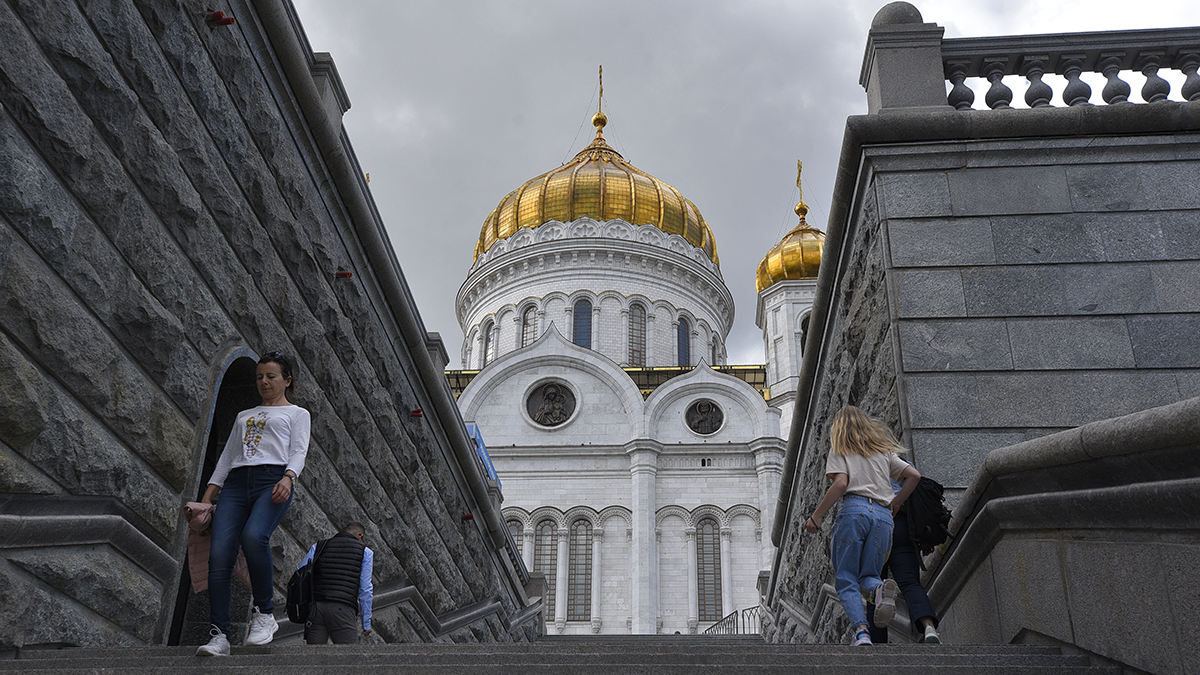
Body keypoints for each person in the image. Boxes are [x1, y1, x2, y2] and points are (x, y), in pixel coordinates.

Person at [196, 352, 310, 657]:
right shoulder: (244, 415)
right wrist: (207, 498)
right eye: (260, 377)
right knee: (219, 555)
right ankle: (219, 635)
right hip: (235, 484)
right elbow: (227, 458)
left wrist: (289, 478)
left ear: (287, 380)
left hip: (272, 481)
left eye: (271, 376)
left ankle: (264, 613)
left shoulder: (297, 414)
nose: (264, 382)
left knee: (253, 536)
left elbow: (298, 451)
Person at [802, 405, 920, 647]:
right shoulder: (883, 451)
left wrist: (817, 516)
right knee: (869, 575)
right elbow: (914, 476)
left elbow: (840, 484)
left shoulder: (840, 448)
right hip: (884, 517)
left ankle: (862, 632)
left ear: (838, 427)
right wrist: (896, 502)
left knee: (846, 578)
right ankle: (878, 589)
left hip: (854, 511)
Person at [866, 473, 940, 644]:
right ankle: (929, 628)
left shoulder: (863, 464)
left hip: (875, 527)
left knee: (874, 587)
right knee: (910, 583)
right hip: (901, 525)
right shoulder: (900, 463)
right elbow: (915, 478)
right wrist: (897, 502)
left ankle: (877, 646)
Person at [298, 522, 374, 644]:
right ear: (360, 536)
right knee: (347, 654)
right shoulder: (365, 552)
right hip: (343, 609)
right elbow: (365, 588)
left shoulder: (320, 546)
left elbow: (300, 573)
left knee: (314, 654)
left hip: (316, 609)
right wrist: (366, 623)